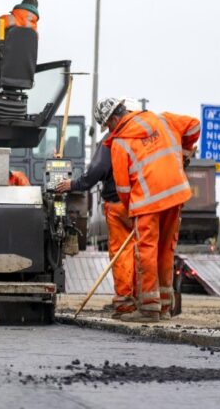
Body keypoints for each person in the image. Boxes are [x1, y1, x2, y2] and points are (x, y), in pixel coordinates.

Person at [100, 97, 200, 322]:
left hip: (147, 203)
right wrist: (183, 155)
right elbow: (194, 125)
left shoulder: (120, 142)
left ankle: (148, 308)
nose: (108, 131)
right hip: (175, 195)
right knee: (165, 250)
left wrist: (130, 208)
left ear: (114, 119)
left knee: (145, 252)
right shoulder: (162, 120)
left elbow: (123, 187)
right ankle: (164, 307)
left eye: (107, 125)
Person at [56, 111, 135, 318]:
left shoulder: (111, 140)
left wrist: (72, 184)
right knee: (142, 250)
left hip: (119, 203)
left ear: (112, 120)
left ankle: (125, 303)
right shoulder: (141, 137)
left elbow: (96, 171)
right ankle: (145, 301)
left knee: (121, 253)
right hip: (143, 204)